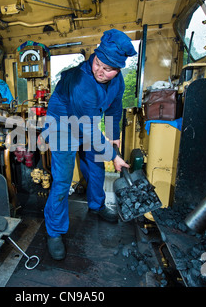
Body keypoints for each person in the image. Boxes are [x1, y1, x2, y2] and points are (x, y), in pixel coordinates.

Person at [40, 29, 137, 260]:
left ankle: (97, 205)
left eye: (108, 69)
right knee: (63, 181)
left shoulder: (117, 81)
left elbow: (114, 108)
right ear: (95, 55)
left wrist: (114, 138)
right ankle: (54, 231)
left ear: (119, 69)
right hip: (63, 128)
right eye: (98, 64)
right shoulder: (80, 81)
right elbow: (89, 129)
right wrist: (113, 156)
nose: (100, 72)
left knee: (96, 168)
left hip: (87, 126)